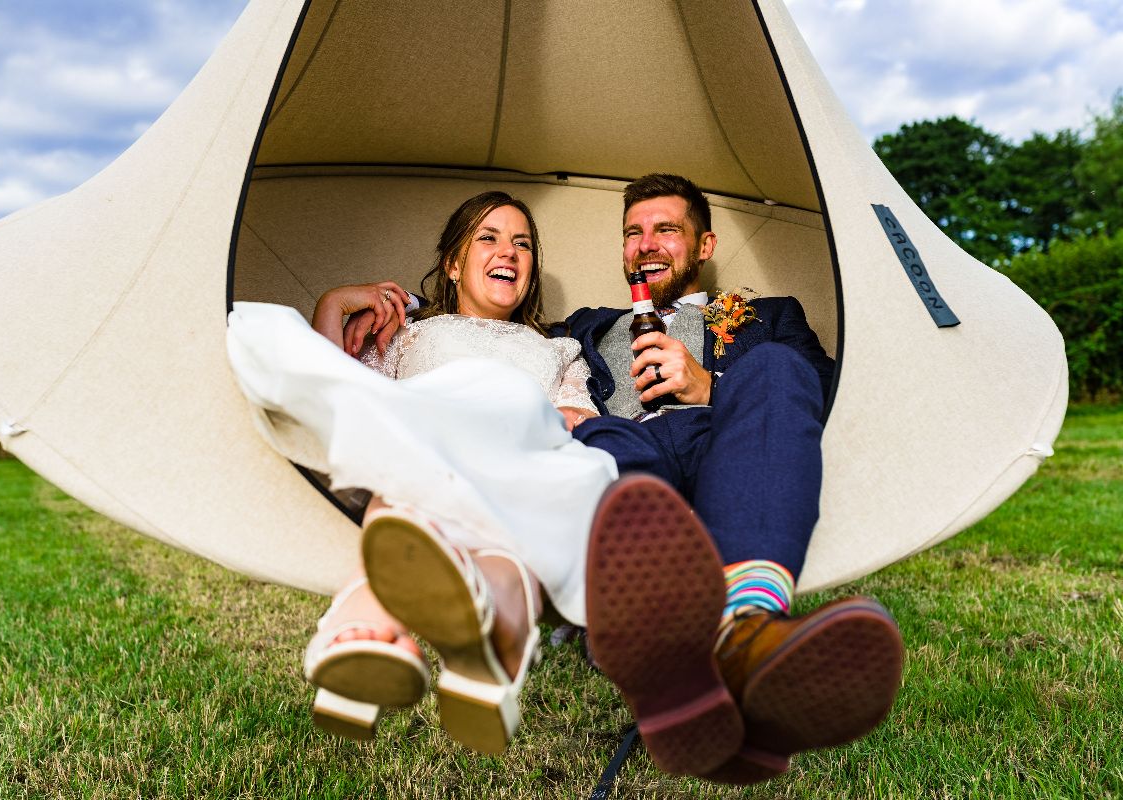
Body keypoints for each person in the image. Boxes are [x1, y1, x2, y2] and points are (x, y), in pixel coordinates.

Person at [347, 174, 903, 786]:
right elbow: (485, 349)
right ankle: (703, 650)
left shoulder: (770, 316)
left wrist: (707, 387)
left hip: (729, 445)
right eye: (633, 233)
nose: (646, 244)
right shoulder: (578, 329)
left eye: (667, 229)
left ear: (705, 244)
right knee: (587, 442)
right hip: (619, 451)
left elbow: (828, 393)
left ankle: (736, 630)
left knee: (775, 365)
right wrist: (381, 309)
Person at [225, 192, 615, 755]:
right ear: (453, 264)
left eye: (522, 243)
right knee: (409, 435)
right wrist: (336, 302)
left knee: (513, 417)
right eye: (489, 237)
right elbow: (340, 392)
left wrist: (551, 414)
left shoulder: (557, 349)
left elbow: (581, 419)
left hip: (519, 460)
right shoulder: (409, 335)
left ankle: (367, 612)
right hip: (426, 455)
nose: (509, 251)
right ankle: (500, 633)